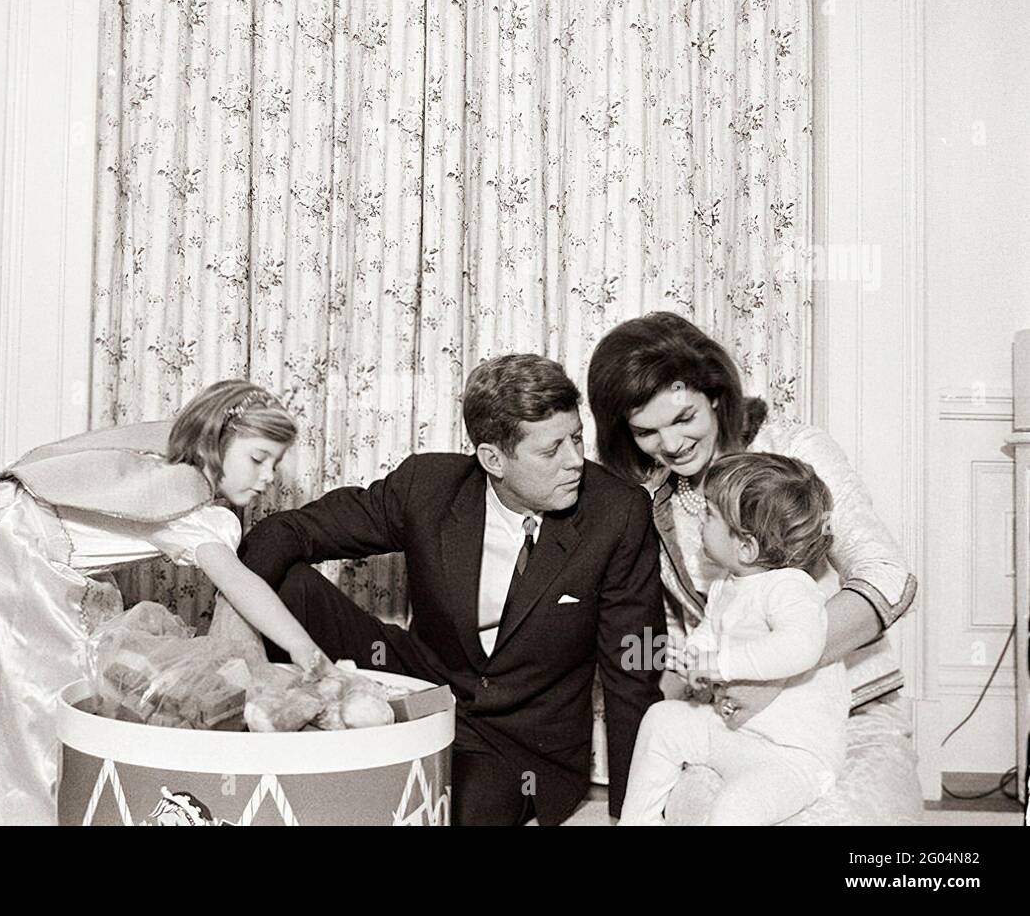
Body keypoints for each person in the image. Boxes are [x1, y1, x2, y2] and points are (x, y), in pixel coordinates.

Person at [233, 354, 665, 825]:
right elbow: (289, 531)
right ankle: (298, 721)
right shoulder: (430, 485)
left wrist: (633, 814)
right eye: (552, 449)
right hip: (424, 681)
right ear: (492, 459)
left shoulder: (617, 513)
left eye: (577, 439)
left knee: (443, 813)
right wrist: (230, 618)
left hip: (516, 742)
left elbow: (633, 667)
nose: (575, 461)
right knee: (286, 583)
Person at [0, 381, 325, 825]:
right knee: (35, 703)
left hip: (1, 532)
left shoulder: (165, 454)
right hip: (14, 555)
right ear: (215, 441)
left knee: (32, 690)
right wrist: (301, 646)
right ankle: (24, 816)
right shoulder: (191, 512)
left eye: (274, 464)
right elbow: (240, 584)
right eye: (258, 459)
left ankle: (32, 807)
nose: (269, 477)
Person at [587, 311, 918, 820]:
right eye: (646, 432)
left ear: (715, 394)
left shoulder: (794, 450)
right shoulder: (649, 500)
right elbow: (680, 637)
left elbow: (889, 577)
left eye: (683, 417)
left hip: (851, 712)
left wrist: (767, 676)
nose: (671, 445)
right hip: (733, 721)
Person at [618, 452, 850, 825]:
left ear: (746, 547)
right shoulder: (727, 583)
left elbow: (801, 647)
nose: (700, 521)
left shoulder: (791, 587)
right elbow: (711, 630)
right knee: (663, 719)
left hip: (794, 755)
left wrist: (721, 664)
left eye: (709, 514)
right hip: (736, 732)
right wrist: (695, 655)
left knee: (733, 809)